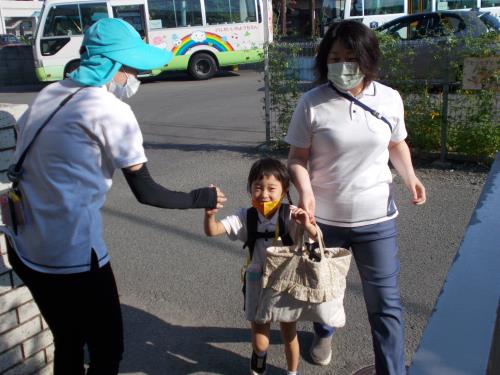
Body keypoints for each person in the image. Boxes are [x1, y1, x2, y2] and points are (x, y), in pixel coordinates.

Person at [4, 18, 225, 375]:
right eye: (133, 67)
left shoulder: (51, 94)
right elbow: (147, 192)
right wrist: (202, 196)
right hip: (71, 254)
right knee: (107, 351)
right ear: (112, 64)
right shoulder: (110, 110)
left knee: (68, 340)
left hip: (25, 246)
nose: (137, 75)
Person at [285, 21, 426, 375]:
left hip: (376, 218)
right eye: (335, 57)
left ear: (367, 58)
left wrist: (410, 177)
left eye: (351, 57)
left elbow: (396, 143)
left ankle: (390, 370)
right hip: (324, 221)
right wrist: (306, 194)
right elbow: (296, 158)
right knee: (324, 290)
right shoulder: (312, 102)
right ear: (324, 59)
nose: (343, 65)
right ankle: (324, 331)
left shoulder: (389, 98)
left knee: (386, 304)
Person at [204, 158, 318, 375]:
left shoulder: (292, 215)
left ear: (284, 191)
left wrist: (308, 225)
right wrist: (210, 215)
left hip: (286, 282)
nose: (264, 194)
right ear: (250, 189)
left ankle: (292, 372)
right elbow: (213, 230)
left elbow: (315, 239)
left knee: (289, 334)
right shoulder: (246, 217)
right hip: (257, 281)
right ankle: (259, 360)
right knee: (260, 342)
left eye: (271, 188)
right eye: (258, 187)